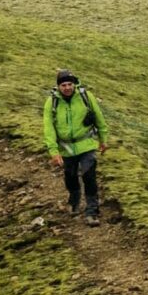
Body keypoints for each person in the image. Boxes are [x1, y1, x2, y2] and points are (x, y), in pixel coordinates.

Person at [43, 69, 109, 224]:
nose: (67, 88)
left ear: (74, 84)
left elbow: (98, 116)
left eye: (70, 84)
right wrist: (53, 151)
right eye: (63, 85)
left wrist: (103, 139)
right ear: (58, 86)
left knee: (89, 175)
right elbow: (48, 127)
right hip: (66, 147)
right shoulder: (52, 102)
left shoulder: (85, 96)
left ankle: (92, 211)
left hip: (86, 143)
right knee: (70, 176)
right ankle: (74, 200)